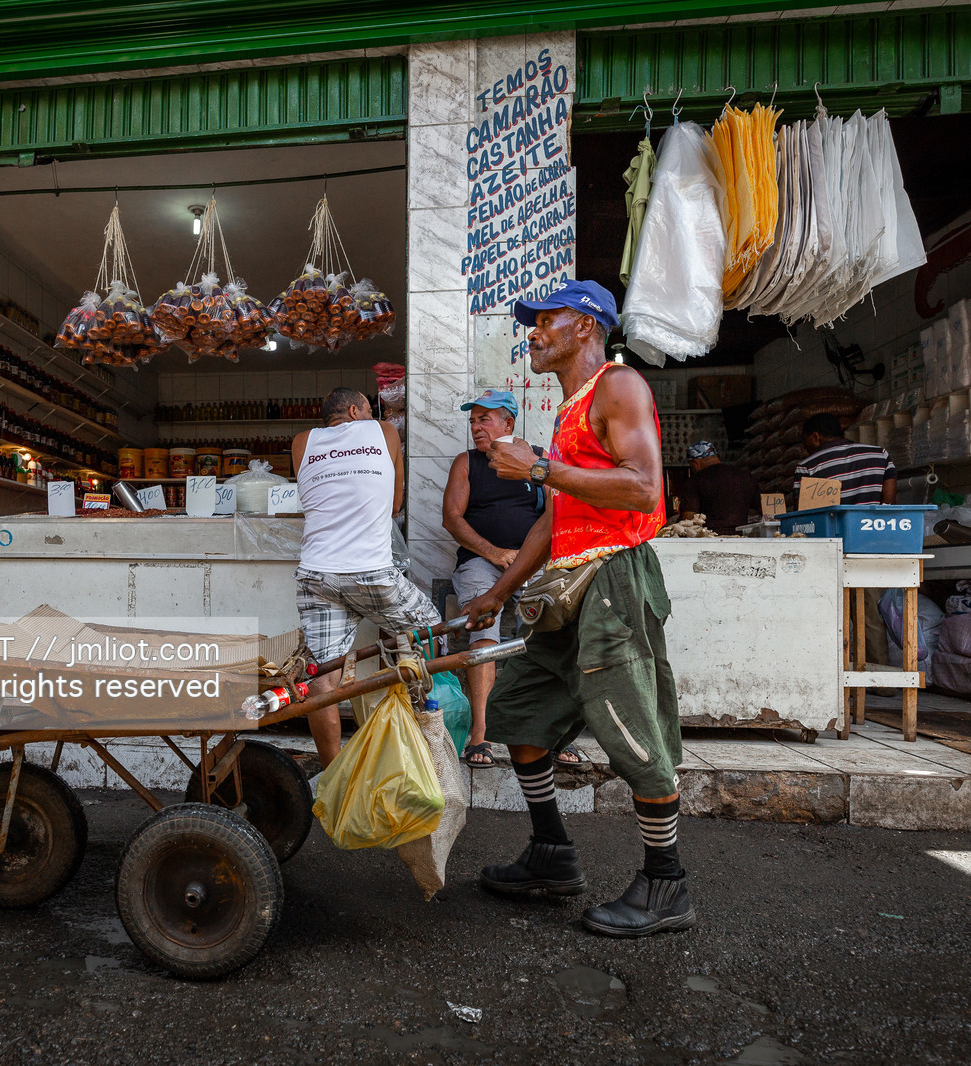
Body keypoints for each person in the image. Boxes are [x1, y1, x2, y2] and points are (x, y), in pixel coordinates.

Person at [461, 278, 694, 938]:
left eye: (547, 320)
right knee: (519, 711)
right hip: (569, 586)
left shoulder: (618, 386)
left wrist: (540, 470)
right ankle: (551, 853)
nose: (533, 332)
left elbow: (643, 488)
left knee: (631, 728)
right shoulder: (569, 412)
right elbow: (555, 520)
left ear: (586, 325)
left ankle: (667, 884)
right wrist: (497, 593)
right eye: (532, 323)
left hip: (614, 580)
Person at [292, 386, 440, 768]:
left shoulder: (301, 442)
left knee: (323, 674)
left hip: (316, 575)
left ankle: (334, 775)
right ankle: (424, 732)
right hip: (372, 573)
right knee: (432, 630)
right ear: (357, 411)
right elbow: (395, 505)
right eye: (368, 410)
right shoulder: (385, 431)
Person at [441, 389, 570, 767]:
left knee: (554, 633)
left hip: (532, 562)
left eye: (484, 419)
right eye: (472, 420)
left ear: (508, 423)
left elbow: (559, 513)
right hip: (481, 562)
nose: (475, 427)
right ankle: (480, 734)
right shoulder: (467, 463)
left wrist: (529, 562)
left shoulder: (538, 460)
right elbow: (451, 518)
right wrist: (494, 553)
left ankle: (552, 735)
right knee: (484, 627)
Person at [794, 413, 897, 505]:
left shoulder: (806, 466)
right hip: (872, 521)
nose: (804, 447)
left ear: (815, 437)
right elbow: (889, 505)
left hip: (832, 522)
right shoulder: (880, 454)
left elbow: (803, 515)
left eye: (805, 440)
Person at [679, 440, 761, 535]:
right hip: (742, 536)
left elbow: (688, 518)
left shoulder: (695, 481)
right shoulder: (746, 476)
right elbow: (760, 510)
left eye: (691, 465)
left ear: (696, 463)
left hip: (709, 537)